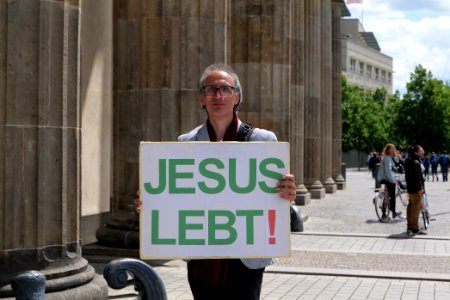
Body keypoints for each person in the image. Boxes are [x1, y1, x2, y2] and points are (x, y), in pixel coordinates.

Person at [177, 63, 297, 299]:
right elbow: (177, 197)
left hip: (247, 257)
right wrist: (153, 203)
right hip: (201, 255)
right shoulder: (185, 142)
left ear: (237, 97)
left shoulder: (263, 141)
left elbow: (278, 199)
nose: (218, 95)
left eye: (225, 89)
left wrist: (288, 195)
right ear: (202, 98)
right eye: (210, 89)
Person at [404, 145, 426, 235]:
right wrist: (420, 189)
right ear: (416, 152)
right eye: (421, 151)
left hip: (410, 188)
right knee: (415, 209)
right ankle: (415, 228)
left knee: (410, 207)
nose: (423, 152)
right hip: (416, 189)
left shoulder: (408, 161)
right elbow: (417, 178)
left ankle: (410, 226)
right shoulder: (416, 162)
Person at [377, 143, 403, 219]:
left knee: (387, 196)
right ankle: (393, 213)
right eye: (391, 149)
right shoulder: (388, 158)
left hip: (386, 178)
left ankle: (385, 214)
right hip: (387, 179)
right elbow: (388, 170)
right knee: (391, 197)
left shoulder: (389, 158)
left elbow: (392, 168)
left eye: (393, 148)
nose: (393, 150)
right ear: (388, 150)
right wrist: (392, 180)